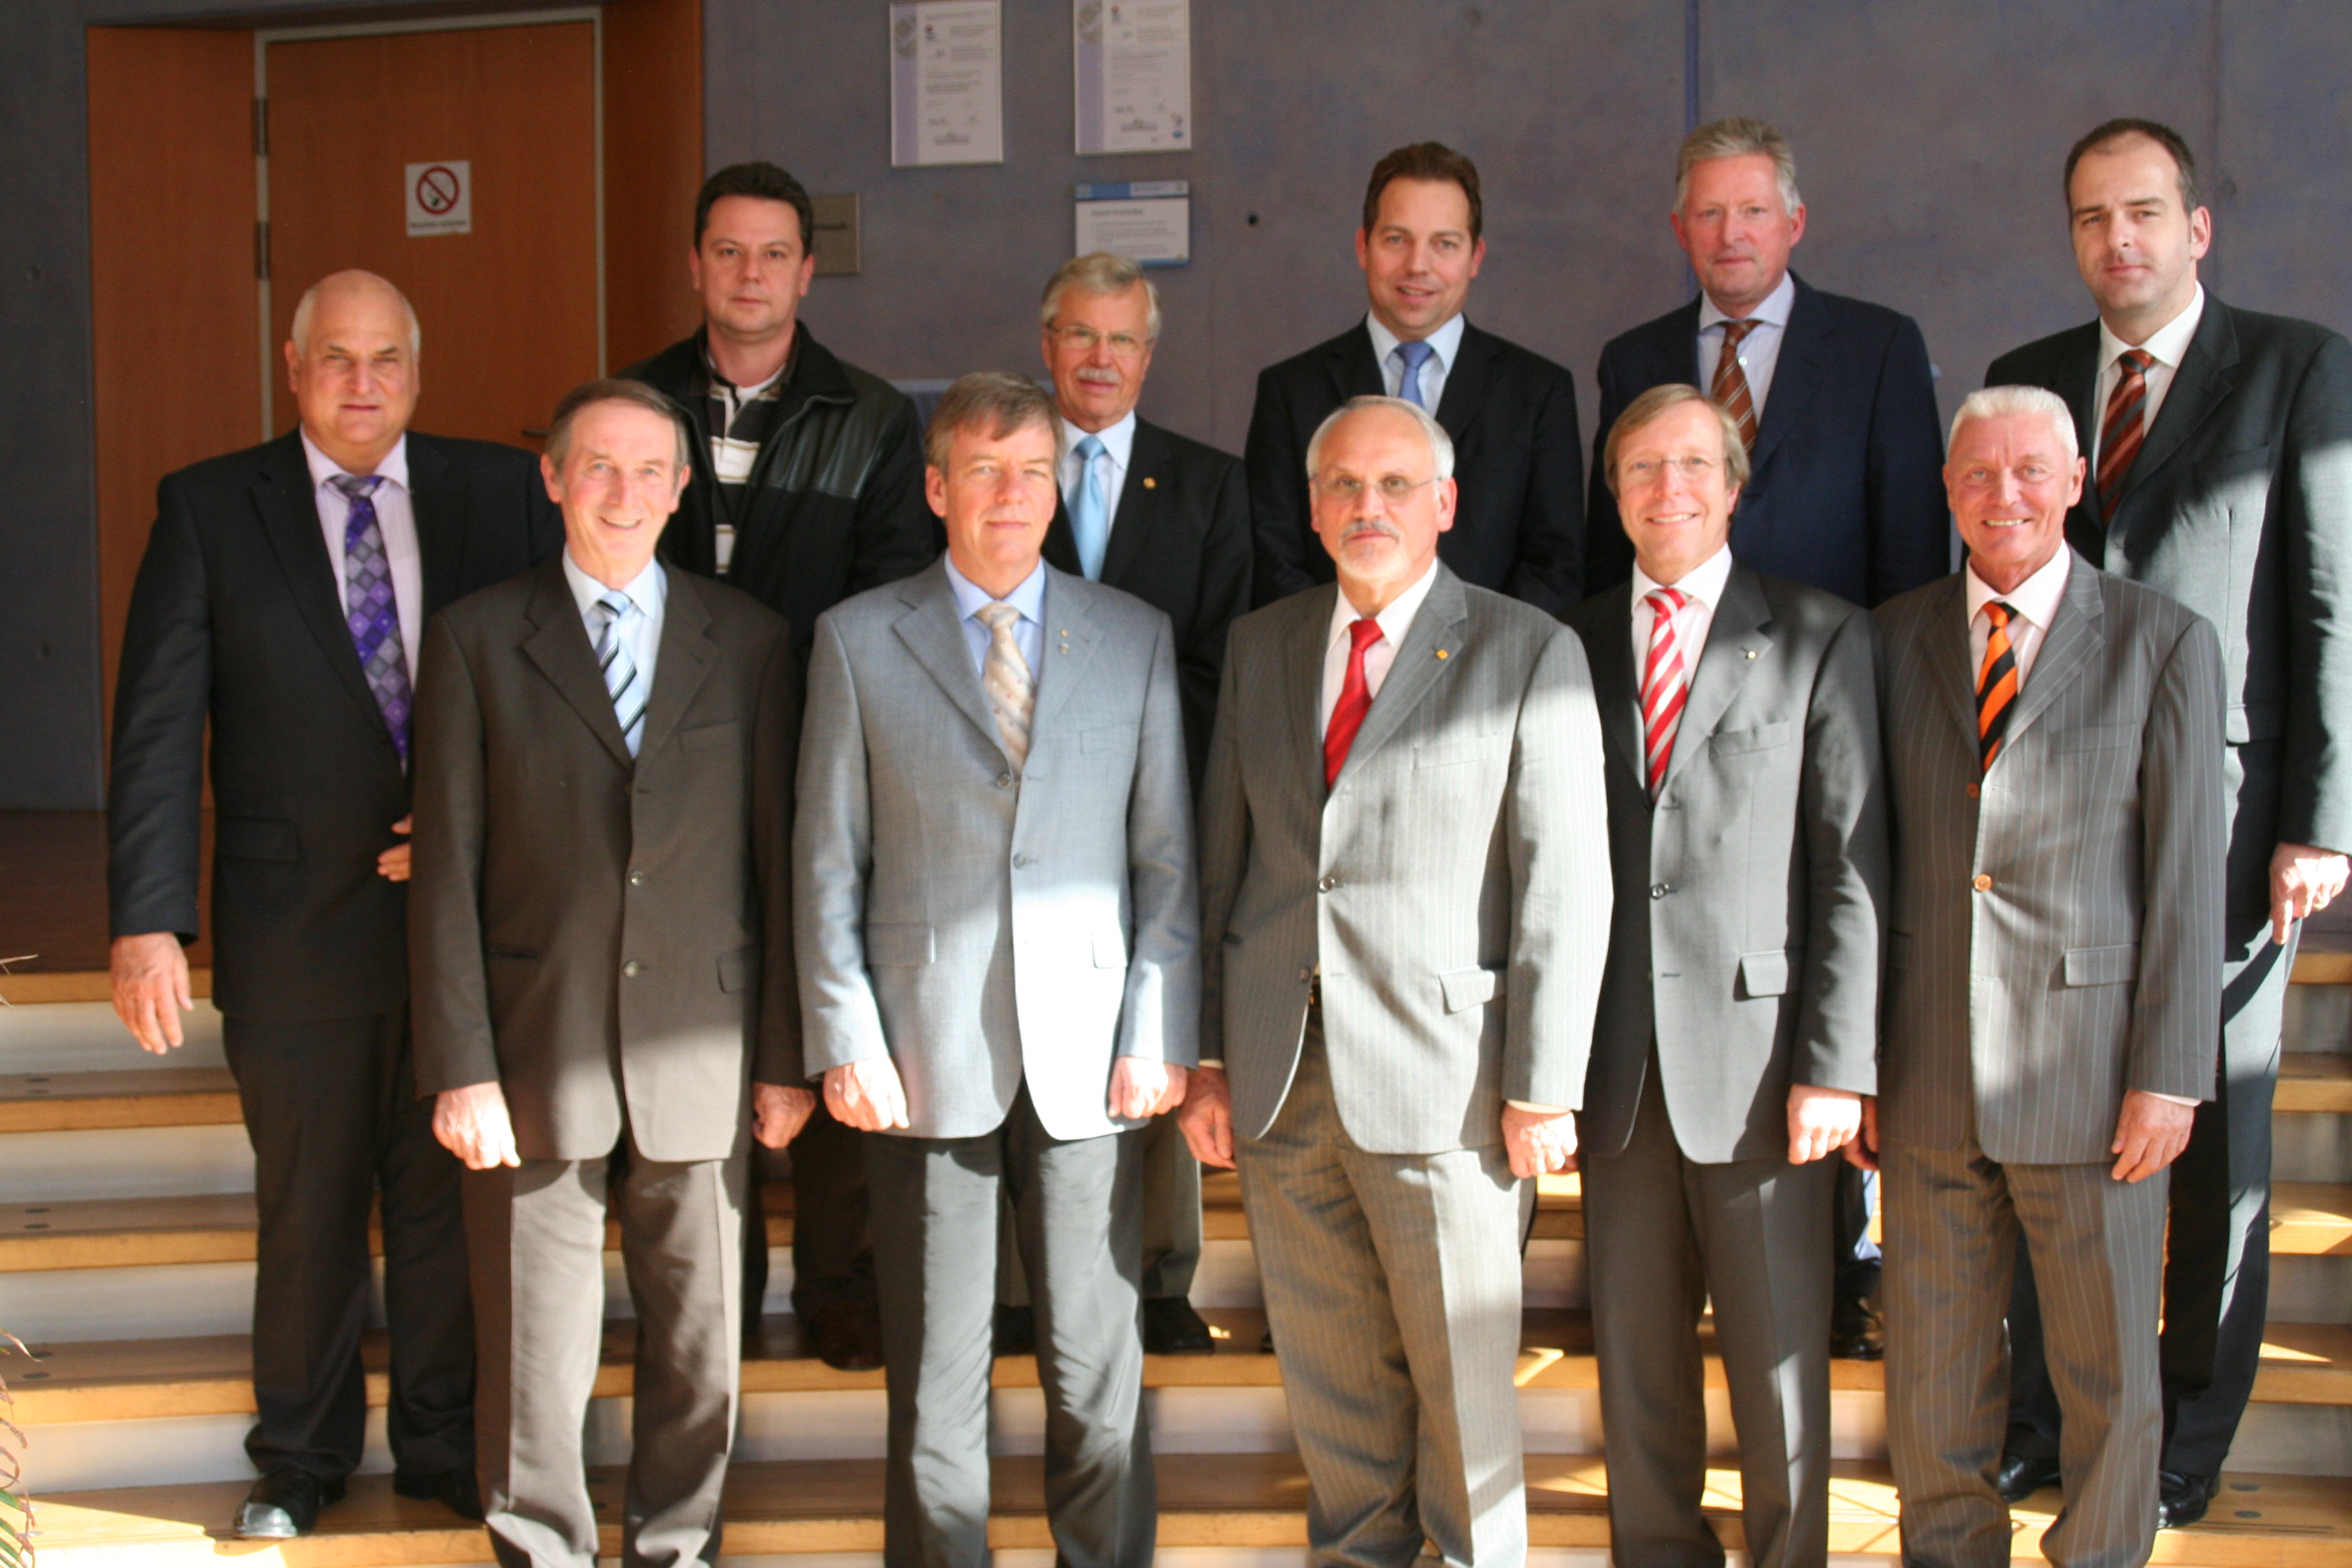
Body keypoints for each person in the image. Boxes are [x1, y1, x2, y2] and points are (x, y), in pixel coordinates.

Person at [106, 270, 559, 1538]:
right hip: (289, 926)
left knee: (444, 1199)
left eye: (386, 359)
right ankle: (300, 1455)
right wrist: (148, 919)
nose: (364, 382)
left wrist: (482, 826)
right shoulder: (209, 506)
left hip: (463, 929)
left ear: (417, 371)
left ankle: (440, 1444)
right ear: (294, 368)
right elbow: (157, 725)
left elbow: (555, 689)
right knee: (307, 1209)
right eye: (338, 359)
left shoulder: (500, 492)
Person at [1984, 118, 2352, 1526]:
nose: (2116, 238)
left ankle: (2188, 1429)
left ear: (2198, 227)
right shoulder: (2030, 374)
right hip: (2050, 817)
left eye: (2142, 211)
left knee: (2216, 1132)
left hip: (2234, 819)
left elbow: (2327, 602)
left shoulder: (2297, 367)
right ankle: (2038, 1417)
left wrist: (2321, 816)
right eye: (2091, 216)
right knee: (2045, 1123)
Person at [1182, 395, 1610, 1568]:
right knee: (1333, 1386)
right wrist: (1209, 1055)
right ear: (1313, 509)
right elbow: (1222, 863)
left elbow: (1566, 885)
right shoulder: (1264, 644)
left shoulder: (1528, 648)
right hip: (1282, 1078)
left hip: (1449, 1084)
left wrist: (1543, 1085)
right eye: (1344, 486)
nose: (1368, 505)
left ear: (1446, 503)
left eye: (1395, 484)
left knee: (1465, 1392)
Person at [794, 372, 1197, 1568]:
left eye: (1033, 471)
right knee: (936, 1378)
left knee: (1094, 1369)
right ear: (937, 488)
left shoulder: (1134, 633)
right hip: (922, 1057)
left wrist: (1157, 1028)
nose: (1011, 494)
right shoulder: (857, 637)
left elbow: (1166, 859)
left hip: (1092, 1058)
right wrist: (845, 1036)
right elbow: (828, 860)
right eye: (984, 469)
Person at [408, 378, 810, 1568]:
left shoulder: (749, 640)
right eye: (598, 466)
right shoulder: (477, 637)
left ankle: (676, 1546)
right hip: (533, 1043)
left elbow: (779, 862)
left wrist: (784, 1057)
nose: (623, 493)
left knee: (700, 1342)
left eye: (649, 470)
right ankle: (541, 1547)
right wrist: (462, 1066)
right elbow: (444, 872)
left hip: (703, 1045)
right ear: (553, 477)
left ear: (683, 489)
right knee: (535, 1348)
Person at [1586, 120, 1945, 1358]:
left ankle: (1836, 1272)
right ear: (1679, 227)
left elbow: (1911, 551)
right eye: (1708, 212)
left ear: (1794, 222)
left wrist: (1882, 716)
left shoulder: (1878, 346)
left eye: (1753, 211)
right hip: (1675, 720)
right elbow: (1610, 559)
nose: (1730, 234)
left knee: (1818, 977)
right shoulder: (1634, 358)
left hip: (1826, 709)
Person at [1869, 385, 2225, 1568]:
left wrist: (2170, 1075)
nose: (2004, 493)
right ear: (1948, 488)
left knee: (2108, 1368)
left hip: (2094, 1070)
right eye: (1978, 472)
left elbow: (2185, 878)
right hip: (1924, 1065)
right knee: (1933, 1368)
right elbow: (1858, 865)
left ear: (2076, 482)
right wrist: (1855, 1061)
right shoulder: (1890, 637)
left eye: (2031, 470)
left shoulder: (2162, 640)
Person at [1565, 384, 1885, 1568]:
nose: (1670, 488)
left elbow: (1850, 868)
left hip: (1764, 1069)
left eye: (1694, 463)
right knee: (1637, 1362)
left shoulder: (1818, 633)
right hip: (1613, 1067)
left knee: (1780, 1365)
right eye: (1642, 467)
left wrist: (1837, 1065)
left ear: (1735, 486)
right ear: (1615, 492)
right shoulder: (1567, 641)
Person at [625, 159, 938, 1372]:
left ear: (808, 272)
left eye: (773, 254)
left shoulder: (873, 417)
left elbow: (890, 601)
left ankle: (840, 1279)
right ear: (695, 263)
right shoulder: (634, 402)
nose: (749, 274)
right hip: (663, 764)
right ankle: (717, 1281)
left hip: (818, 754)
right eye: (728, 251)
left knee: (831, 998)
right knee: (691, 1013)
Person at [991, 251, 1249, 1360]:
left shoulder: (1210, 483)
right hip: (1016, 806)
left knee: (1156, 1028)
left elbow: (1223, 656)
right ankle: (1017, 1289)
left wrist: (1132, 754)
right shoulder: (1002, 473)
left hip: (1162, 799)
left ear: (1149, 355)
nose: (1100, 358)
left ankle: (1159, 1277)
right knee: (1021, 1034)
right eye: (1081, 336)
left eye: (1122, 339)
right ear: (1048, 345)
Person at [1245, 143, 1584, 614]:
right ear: (1363, 247)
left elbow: (1554, 564)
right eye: (1396, 240)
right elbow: (1272, 560)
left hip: (1492, 656)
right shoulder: (1290, 391)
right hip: (1335, 653)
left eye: (1444, 244)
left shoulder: (1538, 392)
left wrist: (1474, 651)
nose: (1418, 265)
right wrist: (1359, 642)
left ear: (1475, 256)